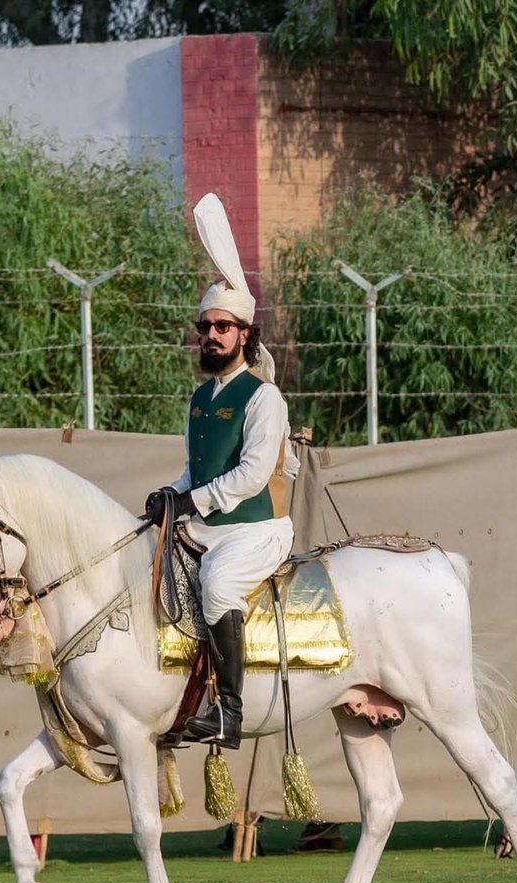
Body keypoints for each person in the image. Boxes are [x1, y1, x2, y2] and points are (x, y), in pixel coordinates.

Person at [145, 193, 299, 750]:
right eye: (204, 325)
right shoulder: (200, 396)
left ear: (244, 335)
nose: (210, 334)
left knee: (215, 586)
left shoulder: (264, 398)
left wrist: (192, 503)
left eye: (222, 326)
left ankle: (229, 712)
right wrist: (172, 493)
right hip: (212, 527)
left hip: (256, 533)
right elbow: (199, 467)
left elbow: (254, 475)